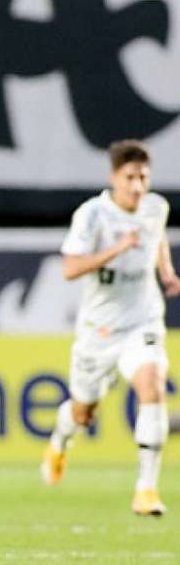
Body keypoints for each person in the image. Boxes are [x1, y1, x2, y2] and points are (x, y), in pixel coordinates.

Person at [41, 140, 180, 516]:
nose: (137, 186)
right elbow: (70, 269)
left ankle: (146, 490)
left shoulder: (156, 207)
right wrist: (116, 249)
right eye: (130, 178)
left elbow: (157, 237)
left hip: (143, 321)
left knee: (153, 383)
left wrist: (166, 272)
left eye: (143, 178)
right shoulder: (92, 215)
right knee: (84, 413)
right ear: (114, 178)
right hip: (99, 330)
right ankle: (60, 440)